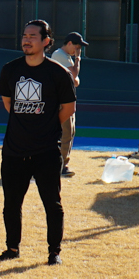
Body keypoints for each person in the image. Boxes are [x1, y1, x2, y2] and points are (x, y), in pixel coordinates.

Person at [0, 19, 76, 264]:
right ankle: (12, 249)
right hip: (14, 150)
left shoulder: (57, 73)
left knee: (52, 204)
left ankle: (54, 252)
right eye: (24, 35)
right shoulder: (10, 69)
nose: (26, 40)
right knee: (11, 204)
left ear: (46, 42)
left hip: (46, 151)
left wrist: (48, 124)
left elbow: (69, 108)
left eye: (32, 36)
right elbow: (9, 103)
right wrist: (25, 123)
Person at [50, 32, 85, 176]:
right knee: (65, 134)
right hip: (60, 102)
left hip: (66, 100)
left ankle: (62, 164)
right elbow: (74, 76)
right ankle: (60, 165)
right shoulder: (59, 55)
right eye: (76, 47)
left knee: (69, 133)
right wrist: (78, 59)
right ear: (69, 43)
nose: (77, 50)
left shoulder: (66, 58)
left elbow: (75, 81)